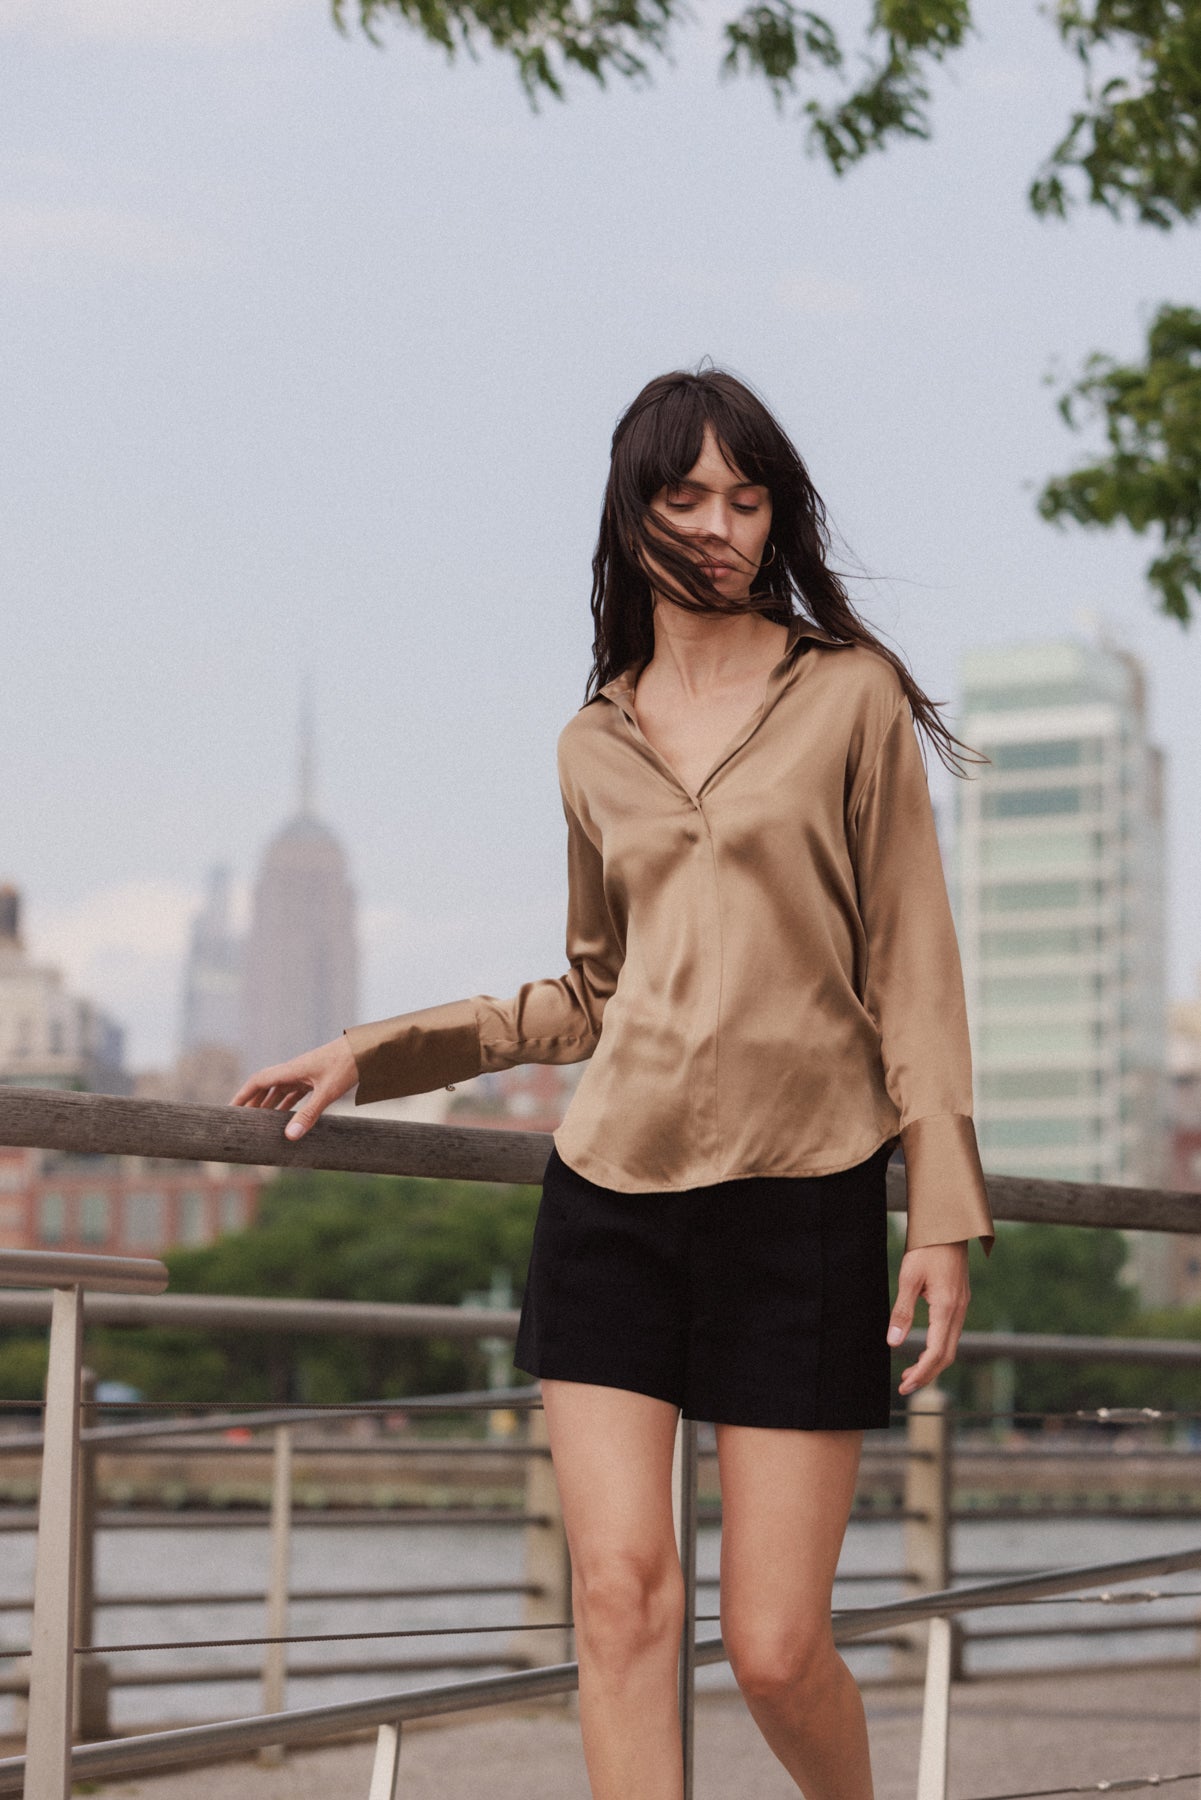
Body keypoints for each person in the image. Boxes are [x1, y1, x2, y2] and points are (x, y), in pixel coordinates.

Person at [232, 367, 994, 1800]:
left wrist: (944, 1209)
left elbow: (911, 967)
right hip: (611, 1202)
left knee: (773, 1649)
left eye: (747, 496)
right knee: (621, 1604)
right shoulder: (594, 739)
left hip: (804, 1194)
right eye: (688, 495)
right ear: (631, 510)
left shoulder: (846, 698)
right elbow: (589, 992)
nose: (720, 525)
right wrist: (369, 1052)